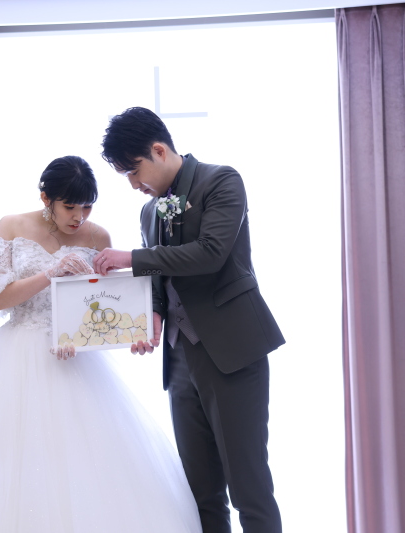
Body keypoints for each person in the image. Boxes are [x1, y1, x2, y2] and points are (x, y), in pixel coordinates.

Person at [0, 156, 201, 532]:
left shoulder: (99, 237)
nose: (79, 217)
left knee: (92, 471)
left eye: (87, 207)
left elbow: (105, 308)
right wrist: (50, 273)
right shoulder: (12, 226)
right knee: (9, 467)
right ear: (45, 198)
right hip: (18, 355)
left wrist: (126, 333)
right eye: (70, 206)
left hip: (78, 364)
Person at [93, 108, 285, 533]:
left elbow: (211, 253)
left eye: (134, 170)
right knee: (200, 494)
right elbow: (160, 278)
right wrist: (154, 312)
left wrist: (131, 258)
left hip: (232, 352)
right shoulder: (148, 213)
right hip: (179, 360)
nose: (133, 184)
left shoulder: (222, 180)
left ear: (159, 150)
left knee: (249, 486)